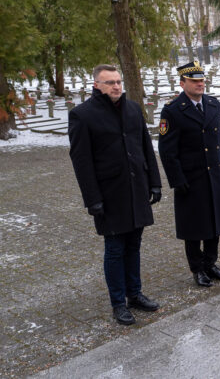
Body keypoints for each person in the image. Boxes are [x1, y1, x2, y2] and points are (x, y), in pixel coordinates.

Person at [68, 64, 162, 325]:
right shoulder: (82, 115)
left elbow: (145, 146)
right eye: (110, 82)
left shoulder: (132, 108)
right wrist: (92, 199)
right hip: (109, 194)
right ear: (96, 85)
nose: (116, 86)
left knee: (134, 245)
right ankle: (118, 302)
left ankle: (135, 294)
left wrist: (155, 182)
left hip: (137, 189)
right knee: (115, 248)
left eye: (118, 81)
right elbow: (81, 161)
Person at [158, 61, 220, 287]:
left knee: (215, 222)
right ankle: (197, 268)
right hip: (191, 179)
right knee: (193, 226)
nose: (200, 84)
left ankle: (211, 263)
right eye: (194, 81)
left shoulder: (213, 103)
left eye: (201, 80)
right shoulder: (172, 110)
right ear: (183, 83)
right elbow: (167, 150)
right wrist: (177, 179)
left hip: (215, 174)